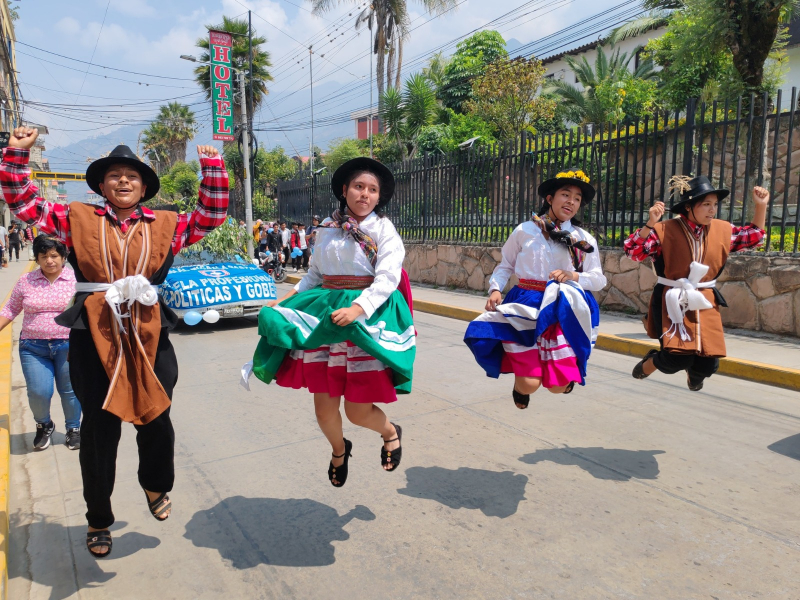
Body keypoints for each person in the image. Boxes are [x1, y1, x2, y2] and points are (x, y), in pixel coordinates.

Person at [0, 126, 229, 559]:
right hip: (94, 334)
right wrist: (15, 154)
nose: (123, 181)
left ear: (144, 187)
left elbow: (209, 217)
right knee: (99, 431)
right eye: (114, 176)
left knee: (157, 417)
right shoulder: (76, 219)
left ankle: (154, 483)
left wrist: (212, 169)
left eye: (132, 176)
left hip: (148, 333)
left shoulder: (168, 223)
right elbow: (23, 203)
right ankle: (98, 519)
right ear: (102, 186)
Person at [248, 157, 415, 488]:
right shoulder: (325, 227)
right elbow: (315, 275)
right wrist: (286, 296)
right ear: (344, 190)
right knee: (324, 409)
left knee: (356, 411)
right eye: (358, 187)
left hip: (363, 321)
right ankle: (340, 451)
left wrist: (358, 308)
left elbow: (388, 277)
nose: (364, 194)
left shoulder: (384, 229)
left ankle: (390, 431)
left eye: (372, 190)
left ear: (378, 197)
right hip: (327, 320)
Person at [464, 170, 606, 408]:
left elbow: (599, 279)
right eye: (565, 194)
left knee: (557, 386)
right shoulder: (524, 230)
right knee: (530, 383)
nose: (571, 201)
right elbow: (506, 265)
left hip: (562, 308)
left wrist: (573, 276)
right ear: (549, 198)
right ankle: (522, 387)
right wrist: (496, 289)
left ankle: (560, 379)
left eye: (577, 198)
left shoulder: (583, 240)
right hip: (525, 304)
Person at [625, 175, 767, 391]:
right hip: (671, 298)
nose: (712, 210)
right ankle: (652, 361)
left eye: (715, 205)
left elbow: (753, 237)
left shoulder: (722, 229)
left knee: (709, 361)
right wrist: (650, 224)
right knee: (676, 358)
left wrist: (761, 207)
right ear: (689, 207)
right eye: (706, 205)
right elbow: (632, 251)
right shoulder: (664, 230)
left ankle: (696, 376)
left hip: (704, 298)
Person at [0, 235, 80, 450]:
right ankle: (44, 425)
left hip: (69, 346)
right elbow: (10, 309)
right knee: (38, 392)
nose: (49, 260)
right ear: (37, 258)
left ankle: (73, 429)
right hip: (33, 347)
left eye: (54, 255)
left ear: (64, 257)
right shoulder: (26, 280)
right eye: (43, 256)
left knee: (70, 390)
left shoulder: (76, 280)